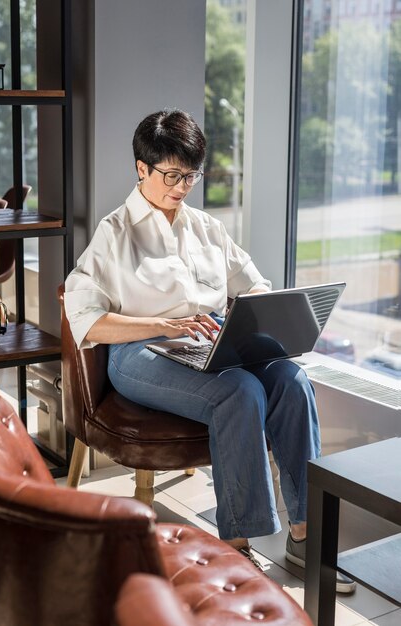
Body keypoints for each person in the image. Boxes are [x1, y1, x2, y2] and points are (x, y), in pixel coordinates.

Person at [64, 109, 355, 593]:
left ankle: (306, 537)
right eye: (172, 175)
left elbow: (255, 286)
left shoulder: (207, 229)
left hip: (209, 345)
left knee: (291, 380)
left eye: (191, 175)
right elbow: (86, 319)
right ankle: (237, 551)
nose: (182, 186)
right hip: (140, 353)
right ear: (142, 168)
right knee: (238, 391)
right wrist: (162, 323)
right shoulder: (114, 233)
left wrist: (271, 319)